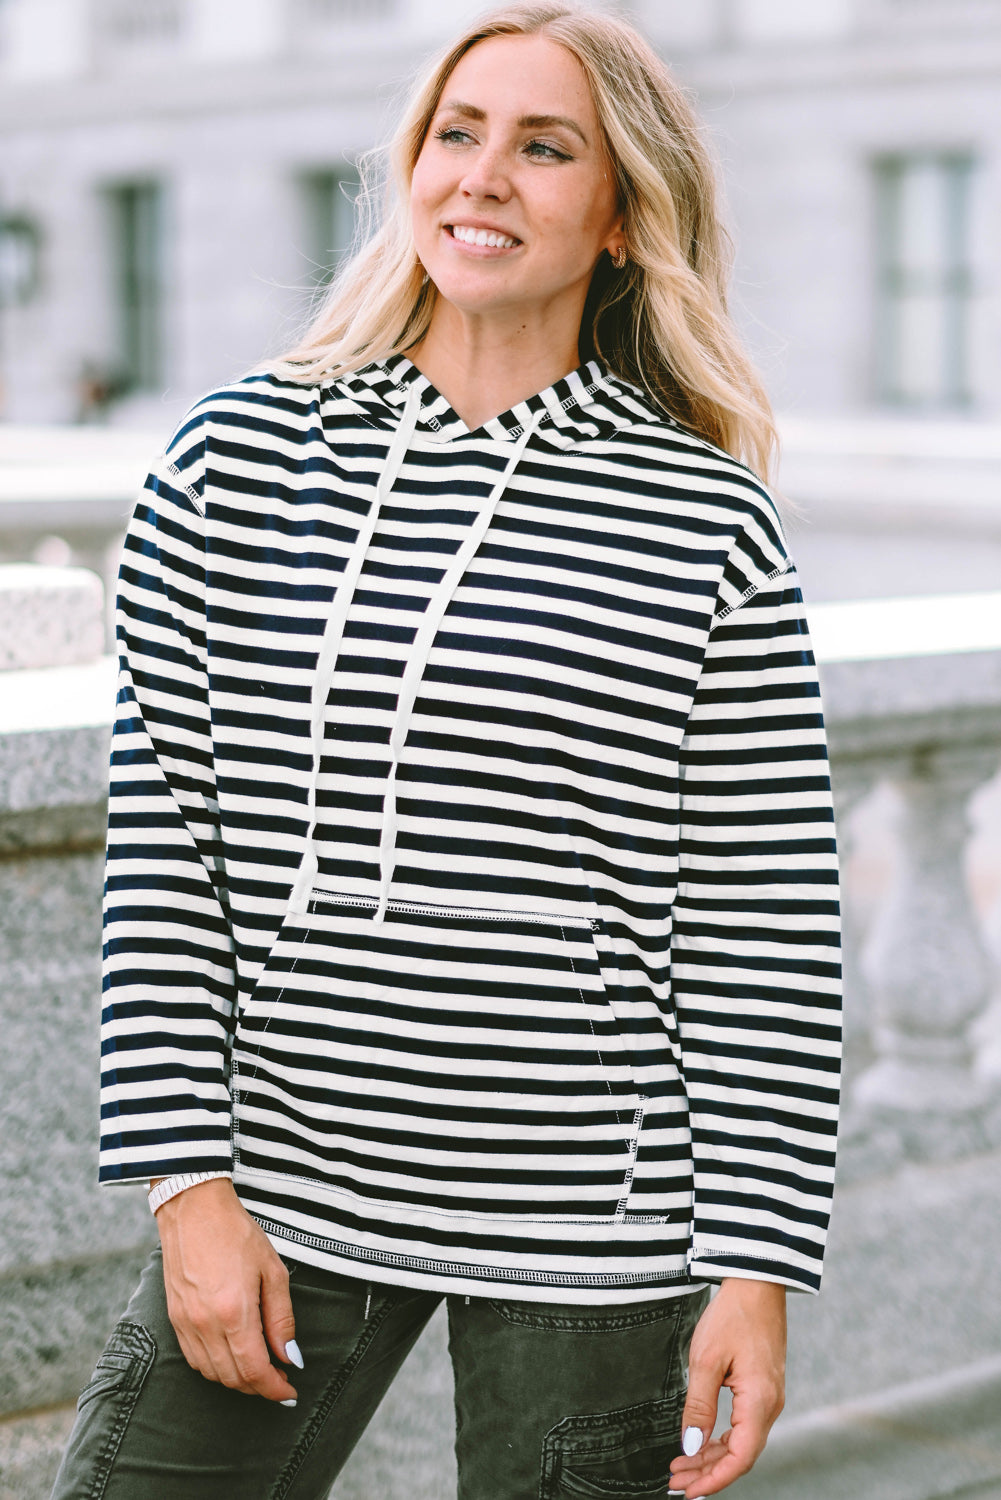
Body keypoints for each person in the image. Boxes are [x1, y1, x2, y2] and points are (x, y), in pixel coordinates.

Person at [51, 5, 841, 1497]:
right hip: (278, 1192)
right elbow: (165, 850)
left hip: (592, 1235)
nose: (482, 175)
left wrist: (754, 1268)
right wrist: (185, 1189)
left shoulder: (703, 521)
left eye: (545, 148)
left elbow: (761, 926)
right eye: (455, 133)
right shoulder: (233, 463)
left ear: (620, 215)